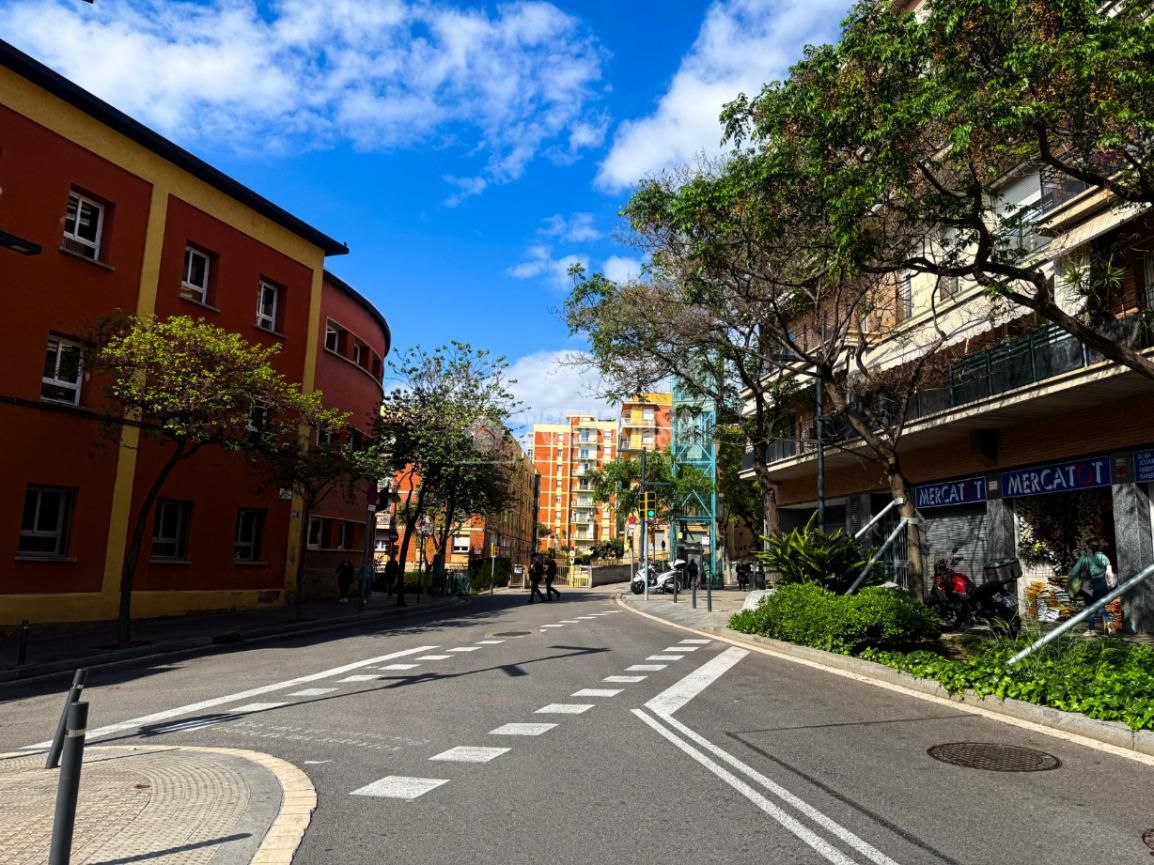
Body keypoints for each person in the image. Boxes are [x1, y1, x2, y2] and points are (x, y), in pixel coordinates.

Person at [1069, 539, 1114, 635]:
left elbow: (1074, 571)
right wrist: (1110, 584)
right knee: (1101, 605)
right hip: (1102, 584)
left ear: (1088, 547)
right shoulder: (1104, 557)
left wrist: (1070, 580)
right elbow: (1109, 573)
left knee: (1090, 607)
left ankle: (1091, 629)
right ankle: (1109, 622)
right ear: (1098, 547)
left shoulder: (1084, 558)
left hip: (1088, 585)